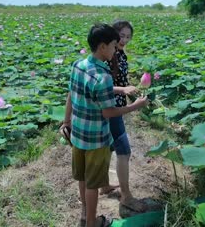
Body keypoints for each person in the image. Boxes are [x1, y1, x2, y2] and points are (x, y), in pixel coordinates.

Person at [60, 23, 148, 227]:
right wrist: (135, 106)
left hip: (78, 134)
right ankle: (92, 222)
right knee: (93, 184)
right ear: (102, 47)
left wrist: (66, 121)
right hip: (96, 139)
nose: (116, 49)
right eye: (113, 45)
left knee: (82, 178)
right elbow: (108, 112)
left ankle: (84, 216)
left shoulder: (77, 65)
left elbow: (71, 95)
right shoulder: (103, 76)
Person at [99, 20, 146, 212]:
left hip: (115, 105)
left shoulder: (120, 53)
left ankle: (104, 185)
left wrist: (128, 89)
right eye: (121, 36)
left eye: (128, 36)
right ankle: (126, 196)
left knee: (108, 147)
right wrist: (123, 89)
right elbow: (102, 85)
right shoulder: (109, 55)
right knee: (124, 151)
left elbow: (119, 80)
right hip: (110, 108)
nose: (124, 40)